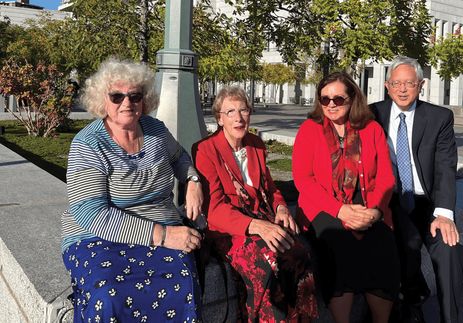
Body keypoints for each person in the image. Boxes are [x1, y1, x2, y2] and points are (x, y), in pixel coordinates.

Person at [61, 58, 204, 322]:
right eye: (116, 96)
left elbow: (179, 158)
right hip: (98, 236)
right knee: (108, 295)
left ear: (144, 99)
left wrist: (193, 181)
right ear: (102, 101)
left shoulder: (155, 129)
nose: (126, 102)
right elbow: (92, 214)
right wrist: (162, 236)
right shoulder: (88, 144)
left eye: (134, 96)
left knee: (182, 281)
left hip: (164, 226)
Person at [192, 86, 318, 322]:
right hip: (229, 228)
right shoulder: (205, 150)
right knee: (268, 262)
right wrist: (257, 226)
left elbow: (270, 188)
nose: (238, 118)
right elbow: (214, 209)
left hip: (261, 220)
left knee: (300, 254)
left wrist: (280, 207)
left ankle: (302, 318)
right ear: (219, 118)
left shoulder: (255, 145)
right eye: (230, 112)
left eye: (243, 110)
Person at [292, 72, 399, 323]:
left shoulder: (371, 129)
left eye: (338, 99)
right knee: (341, 247)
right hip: (323, 207)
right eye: (325, 99)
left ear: (352, 99)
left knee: (383, 248)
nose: (330, 104)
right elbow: (303, 179)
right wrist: (340, 210)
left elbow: (385, 178)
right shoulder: (310, 129)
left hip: (368, 205)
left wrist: (375, 211)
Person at [371, 56, 463, 323]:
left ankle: (450, 317)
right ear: (387, 86)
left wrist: (445, 213)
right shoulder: (372, 114)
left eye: (409, 83)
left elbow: (446, 167)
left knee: (450, 249)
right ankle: (412, 302)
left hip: (427, 203)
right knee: (405, 243)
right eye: (396, 83)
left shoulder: (439, 118)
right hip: (389, 201)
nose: (402, 89)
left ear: (421, 85)